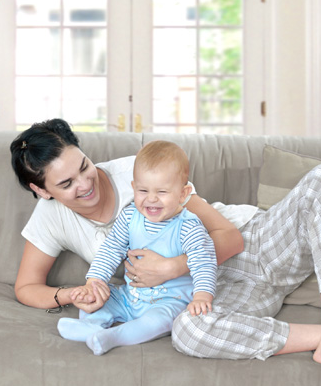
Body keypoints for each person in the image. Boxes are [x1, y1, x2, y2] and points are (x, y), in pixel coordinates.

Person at [11, 118, 321, 386]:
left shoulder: (136, 175)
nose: (86, 183)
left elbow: (230, 238)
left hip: (257, 249)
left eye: (84, 165)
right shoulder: (50, 219)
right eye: (66, 183)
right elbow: (27, 287)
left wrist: (172, 266)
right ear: (41, 189)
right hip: (215, 295)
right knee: (189, 332)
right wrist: (73, 294)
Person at [56, 140, 217, 355]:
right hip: (129, 296)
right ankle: (90, 328)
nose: (151, 199)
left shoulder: (188, 226)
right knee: (99, 298)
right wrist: (94, 282)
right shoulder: (131, 216)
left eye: (162, 192)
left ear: (182, 193)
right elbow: (111, 249)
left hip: (170, 300)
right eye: (143, 190)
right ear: (133, 188)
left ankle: (114, 337)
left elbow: (203, 263)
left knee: (158, 320)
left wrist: (202, 297)